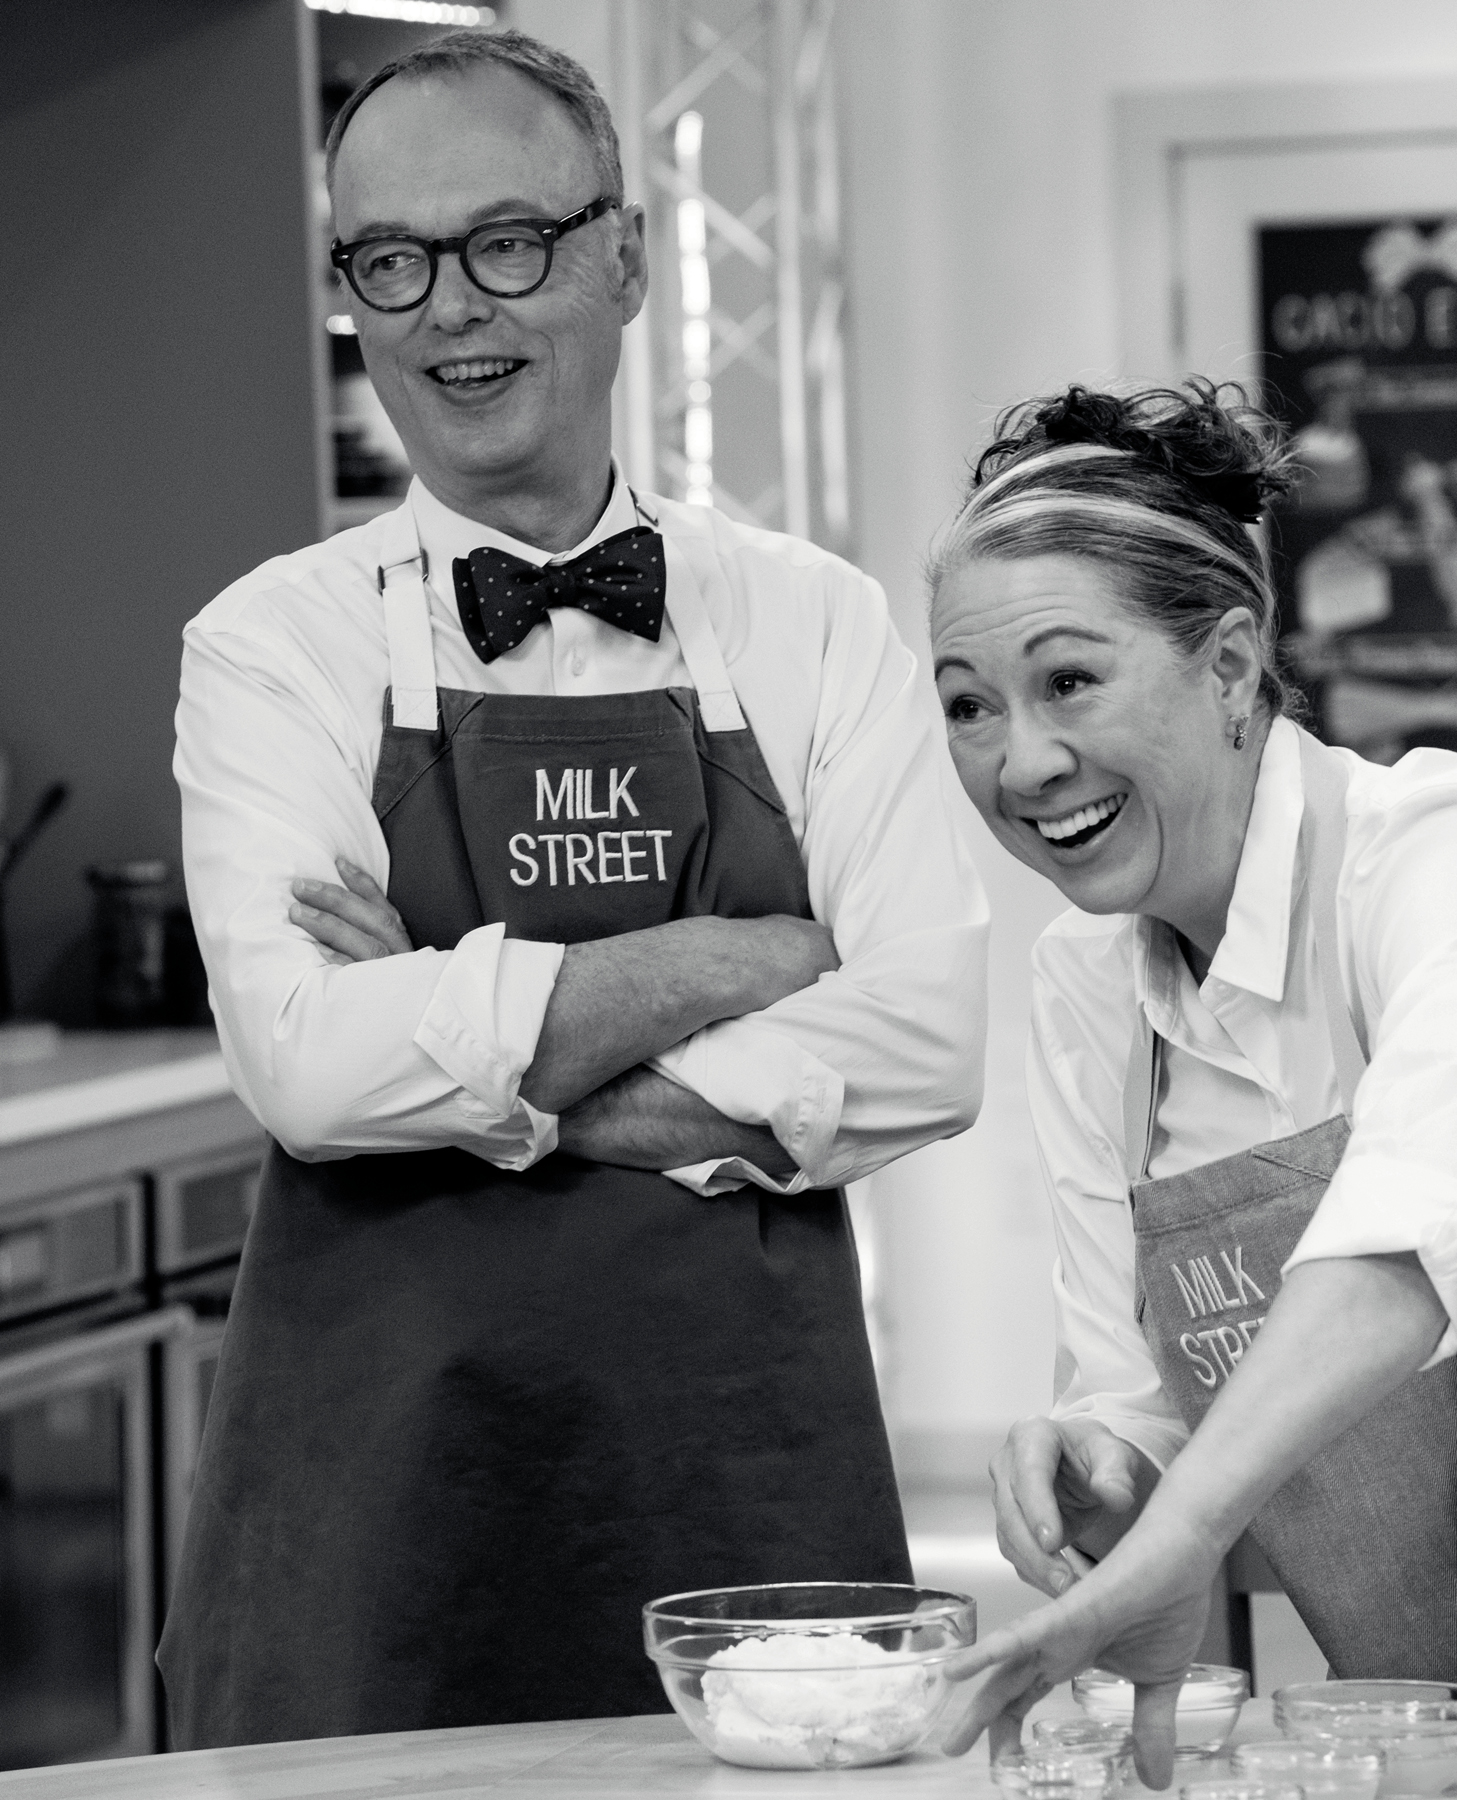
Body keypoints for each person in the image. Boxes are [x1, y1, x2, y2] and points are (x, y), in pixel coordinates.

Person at [157, 28, 989, 1748]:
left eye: (506, 242)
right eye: (390, 262)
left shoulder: (814, 619)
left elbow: (929, 1034)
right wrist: (734, 955)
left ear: (622, 252)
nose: (449, 308)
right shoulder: (268, 645)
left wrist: (469, 1052)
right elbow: (310, 1068)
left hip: (745, 1477)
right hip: (377, 1491)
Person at [925, 381, 1457, 1786]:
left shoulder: (1423, 871)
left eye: (1068, 681)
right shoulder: (1087, 985)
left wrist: (1183, 1534)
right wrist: (1103, 1472)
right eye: (968, 703)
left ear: (1229, 668)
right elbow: (1134, 1386)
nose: (1019, 761)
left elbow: (1407, 1245)